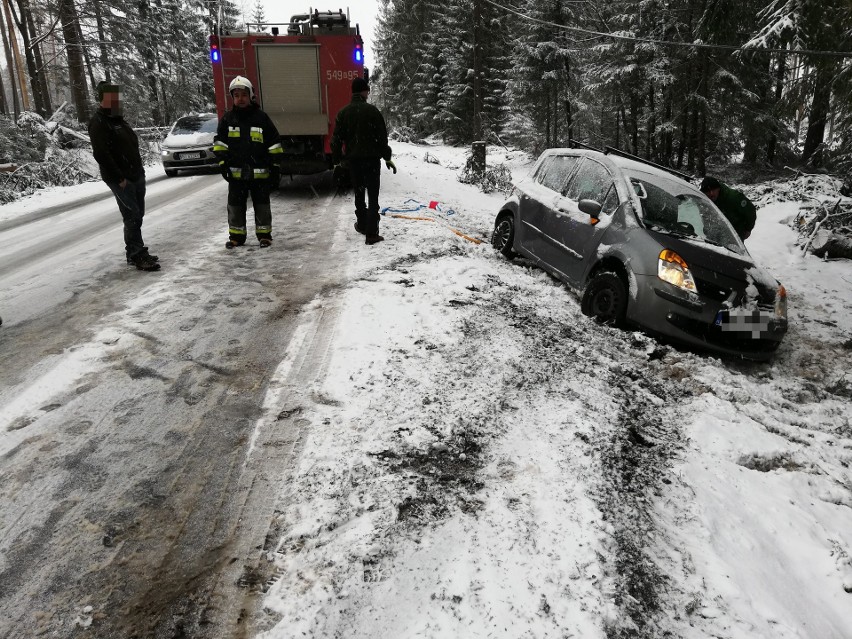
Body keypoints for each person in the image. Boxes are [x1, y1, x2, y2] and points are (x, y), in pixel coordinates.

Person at [88, 81, 160, 271]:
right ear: (102, 98)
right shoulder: (99, 123)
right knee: (132, 215)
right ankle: (137, 255)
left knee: (138, 214)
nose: (115, 100)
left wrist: (140, 171)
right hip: (120, 179)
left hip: (135, 174)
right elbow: (101, 154)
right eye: (111, 96)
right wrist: (119, 177)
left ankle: (133, 252)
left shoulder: (119, 120)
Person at [213, 76, 283, 249]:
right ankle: (236, 236)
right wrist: (223, 164)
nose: (240, 99)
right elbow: (220, 143)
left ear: (250, 95)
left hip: (260, 174)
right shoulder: (228, 119)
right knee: (235, 205)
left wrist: (274, 166)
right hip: (236, 175)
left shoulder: (261, 118)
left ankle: (264, 236)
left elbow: (274, 143)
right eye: (236, 95)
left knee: (262, 205)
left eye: (244, 94)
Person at [331, 77, 396, 245]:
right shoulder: (373, 112)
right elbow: (382, 139)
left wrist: (337, 160)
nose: (368, 92)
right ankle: (372, 233)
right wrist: (387, 158)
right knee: (373, 196)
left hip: (354, 162)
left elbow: (336, 140)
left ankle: (361, 224)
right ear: (363, 91)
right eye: (367, 90)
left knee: (359, 194)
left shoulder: (343, 113)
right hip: (372, 162)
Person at [700, 176, 757, 241]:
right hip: (715, 234)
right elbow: (705, 217)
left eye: (713, 189)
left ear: (718, 188)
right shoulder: (704, 200)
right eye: (707, 191)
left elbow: (750, 211)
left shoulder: (733, 197)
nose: (711, 193)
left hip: (735, 233)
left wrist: (748, 229)